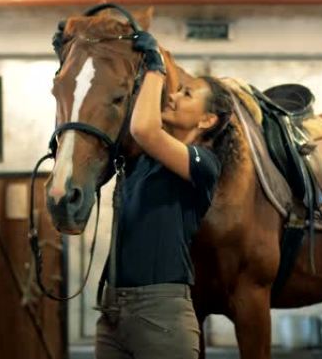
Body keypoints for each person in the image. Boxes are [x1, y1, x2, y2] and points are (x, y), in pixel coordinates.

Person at [95, 30, 235, 359]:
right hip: (112, 309)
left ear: (208, 119)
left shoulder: (204, 164)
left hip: (161, 313)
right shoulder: (141, 162)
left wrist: (156, 68)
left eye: (186, 94)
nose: (173, 97)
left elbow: (144, 129)